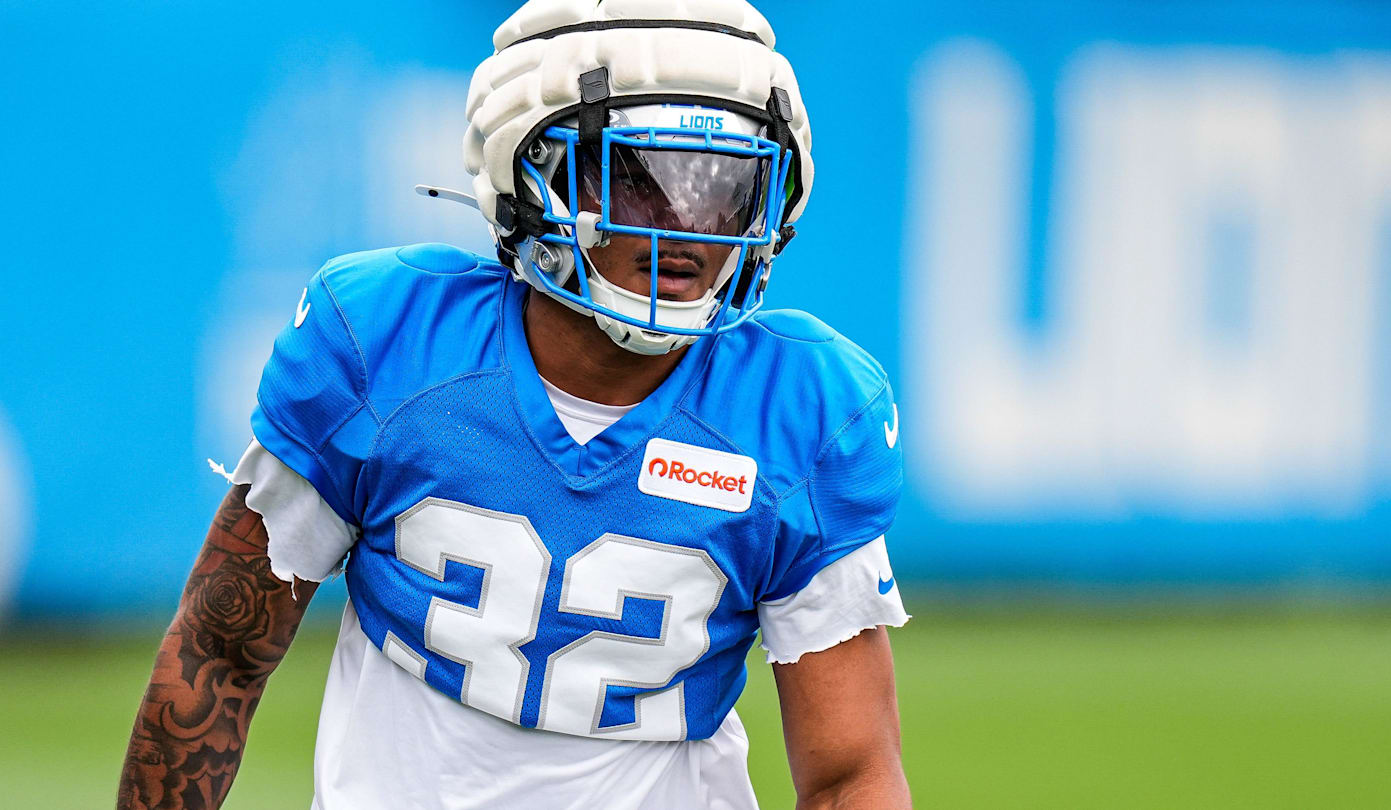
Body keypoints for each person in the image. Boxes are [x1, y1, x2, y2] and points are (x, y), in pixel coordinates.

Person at [118, 1, 910, 808]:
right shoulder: (390, 344)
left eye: (725, 188)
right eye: (642, 181)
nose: (689, 227)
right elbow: (220, 652)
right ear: (535, 174)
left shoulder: (799, 409)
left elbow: (850, 773)